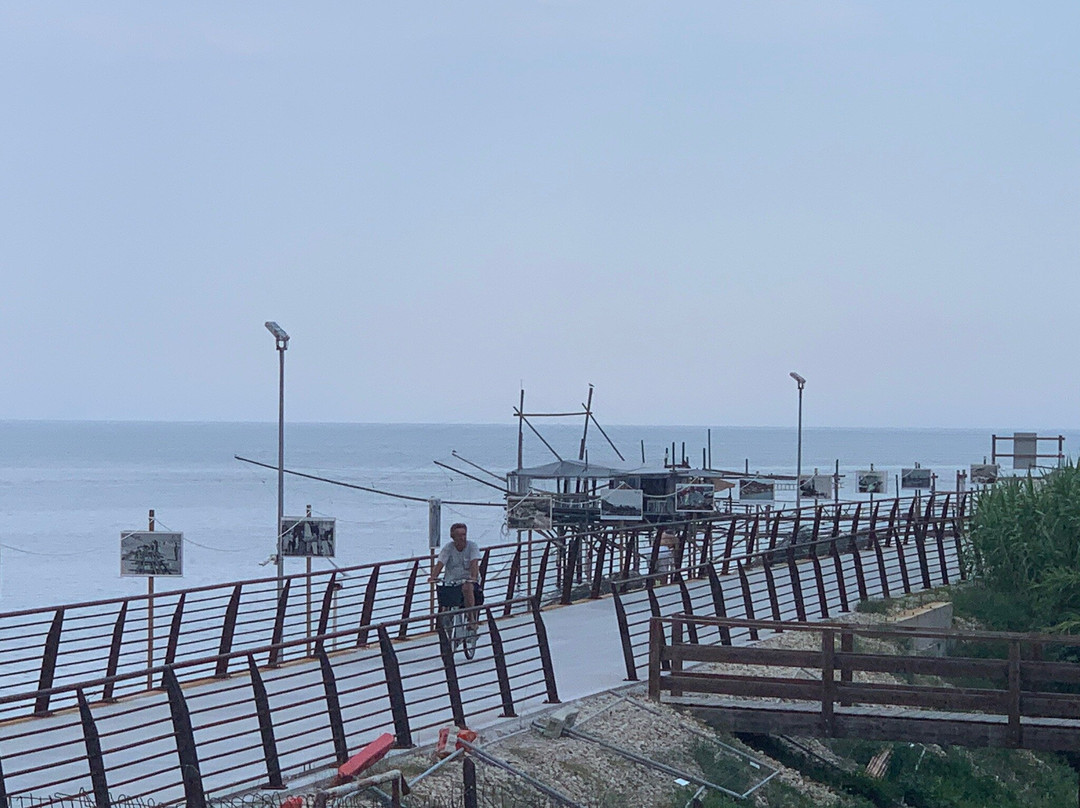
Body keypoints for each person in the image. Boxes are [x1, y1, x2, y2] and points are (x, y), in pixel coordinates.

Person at [429, 522, 482, 628]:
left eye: (464, 535)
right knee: (444, 596)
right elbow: (440, 563)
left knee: (468, 588)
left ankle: (471, 619)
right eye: (459, 535)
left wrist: (474, 577)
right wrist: (433, 576)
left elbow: (474, 563)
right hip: (451, 581)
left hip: (467, 581)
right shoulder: (448, 548)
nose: (462, 538)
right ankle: (443, 624)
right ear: (453, 537)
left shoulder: (472, 546)